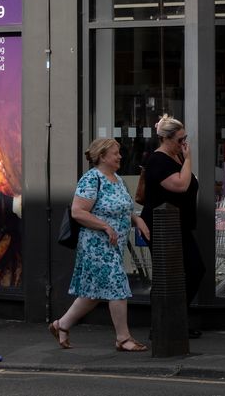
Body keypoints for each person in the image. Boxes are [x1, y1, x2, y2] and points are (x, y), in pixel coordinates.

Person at [49, 138, 150, 352]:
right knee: (116, 285)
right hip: (96, 245)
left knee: (92, 293)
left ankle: (62, 325)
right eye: (116, 153)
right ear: (103, 156)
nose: (120, 156)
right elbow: (78, 212)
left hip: (114, 245)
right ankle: (123, 338)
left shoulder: (117, 179)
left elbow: (122, 208)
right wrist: (104, 226)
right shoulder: (91, 179)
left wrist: (137, 220)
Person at [141, 114, 206, 338]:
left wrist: (183, 159)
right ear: (166, 139)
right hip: (161, 226)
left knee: (193, 270)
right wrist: (188, 160)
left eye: (185, 138)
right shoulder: (158, 160)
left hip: (179, 225)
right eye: (180, 140)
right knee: (167, 274)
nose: (184, 144)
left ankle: (175, 320)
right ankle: (161, 325)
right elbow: (180, 185)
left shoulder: (176, 157)